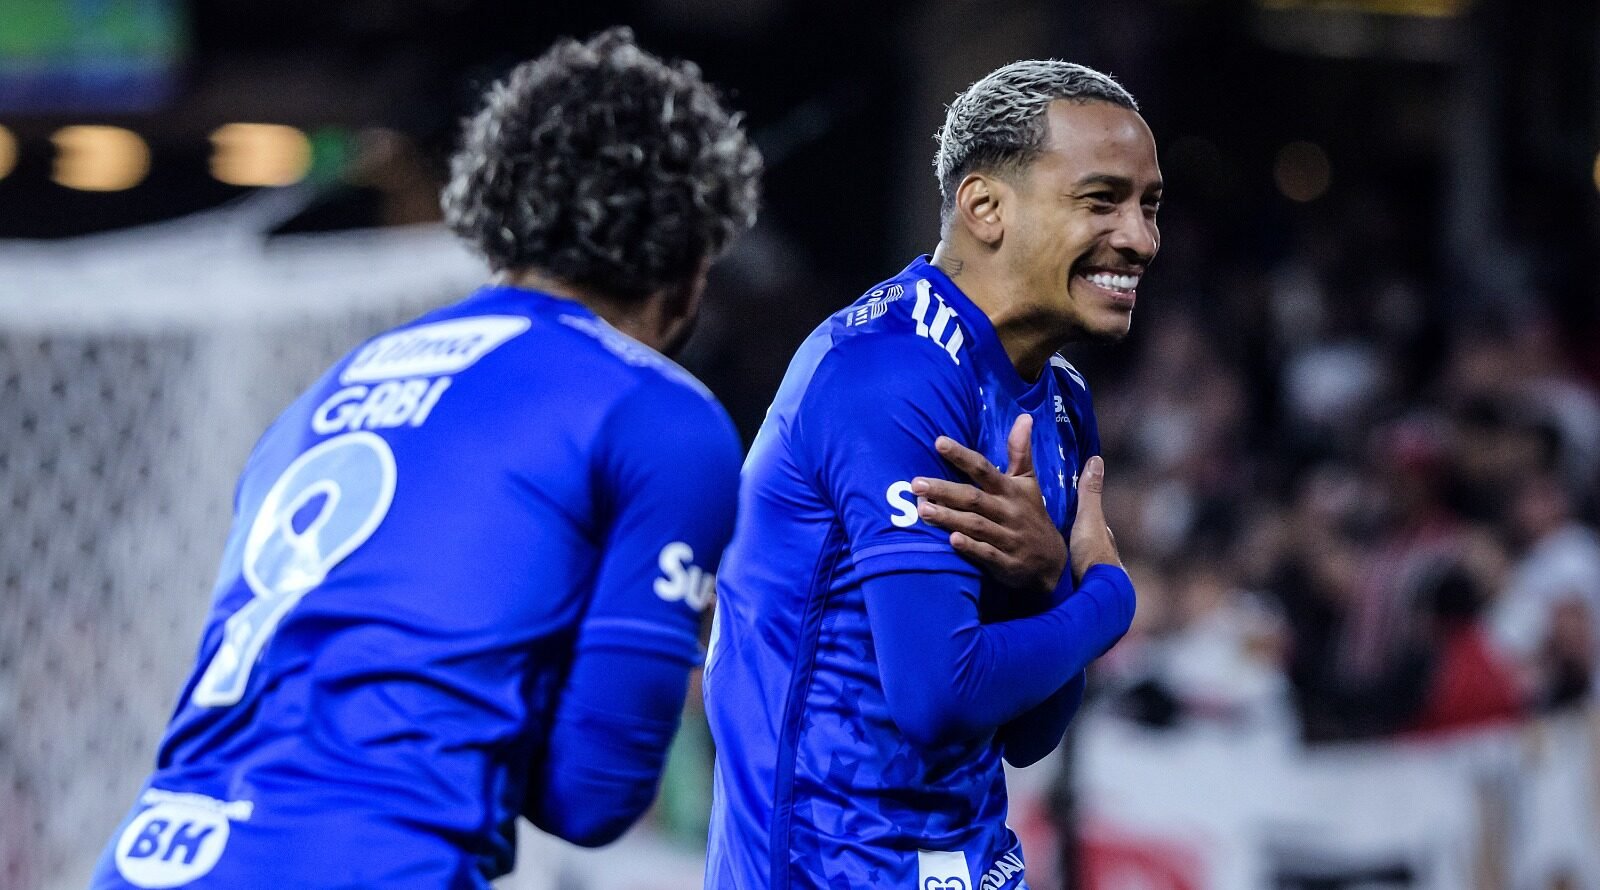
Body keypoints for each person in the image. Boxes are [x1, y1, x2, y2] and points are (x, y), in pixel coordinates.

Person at [90, 27, 761, 889]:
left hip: (152, 857)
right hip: (367, 868)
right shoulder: (658, 413)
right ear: (692, 264)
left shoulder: (324, 394)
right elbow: (593, 794)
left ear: (496, 212)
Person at [703, 59, 1159, 889]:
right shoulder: (889, 372)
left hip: (975, 863)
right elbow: (939, 695)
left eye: (1148, 205)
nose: (1140, 238)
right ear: (986, 207)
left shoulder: (1059, 402)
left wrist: (1048, 581)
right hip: (828, 870)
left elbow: (1030, 734)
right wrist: (1107, 598)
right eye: (1102, 201)